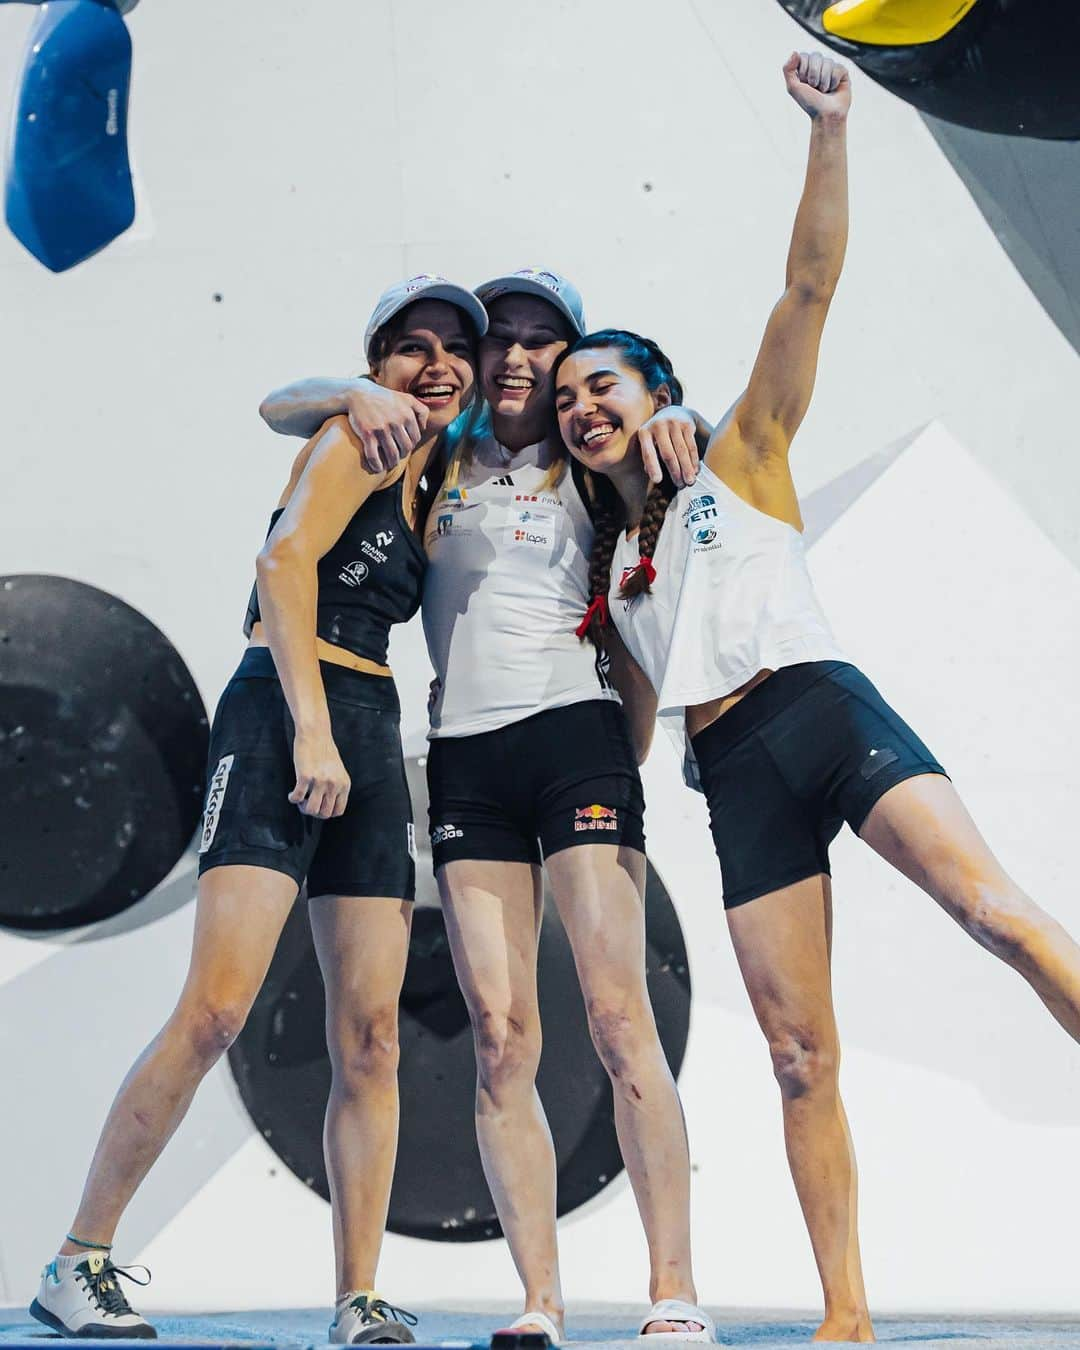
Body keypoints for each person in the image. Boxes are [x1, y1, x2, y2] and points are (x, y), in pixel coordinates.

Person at [552, 51, 1080, 1344]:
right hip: (733, 779)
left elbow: (809, 283)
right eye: (564, 397)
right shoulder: (609, 574)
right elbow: (626, 732)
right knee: (801, 1057)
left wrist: (832, 131)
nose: (579, 406)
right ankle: (847, 1313)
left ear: (655, 394)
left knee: (999, 916)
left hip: (824, 713)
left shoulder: (740, 448)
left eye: (601, 384)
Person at [31, 275, 487, 1344]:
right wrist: (313, 729)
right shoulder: (357, 436)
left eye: (452, 347)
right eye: (410, 346)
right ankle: (76, 1259)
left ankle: (357, 1297)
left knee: (370, 1034)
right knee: (217, 1009)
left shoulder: (436, 465)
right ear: (378, 363)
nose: (436, 363)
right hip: (287, 712)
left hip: (370, 722)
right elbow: (283, 561)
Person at [259, 271, 714, 1344]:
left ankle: (674, 1295)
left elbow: (695, 440)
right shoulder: (436, 449)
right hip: (464, 763)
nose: (512, 354)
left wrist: (684, 412)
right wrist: (352, 389)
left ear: (568, 356)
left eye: (538, 338)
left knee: (615, 1020)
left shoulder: (595, 460)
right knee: (505, 1038)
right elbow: (283, 407)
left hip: (576, 748)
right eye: (498, 334)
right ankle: (539, 1304)